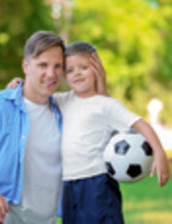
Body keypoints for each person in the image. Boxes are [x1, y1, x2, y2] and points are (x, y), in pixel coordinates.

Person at [49, 42, 169, 223]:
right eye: (71, 70)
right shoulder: (62, 100)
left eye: (84, 67)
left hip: (97, 184)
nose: (78, 73)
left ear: (97, 69)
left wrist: (159, 153)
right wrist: (17, 85)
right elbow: (34, 96)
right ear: (64, 75)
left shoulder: (106, 105)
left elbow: (139, 124)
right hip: (69, 184)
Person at [0, 31, 67, 223]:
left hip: (42, 219)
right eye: (43, 65)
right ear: (26, 66)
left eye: (57, 66)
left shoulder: (65, 111)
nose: (51, 74)